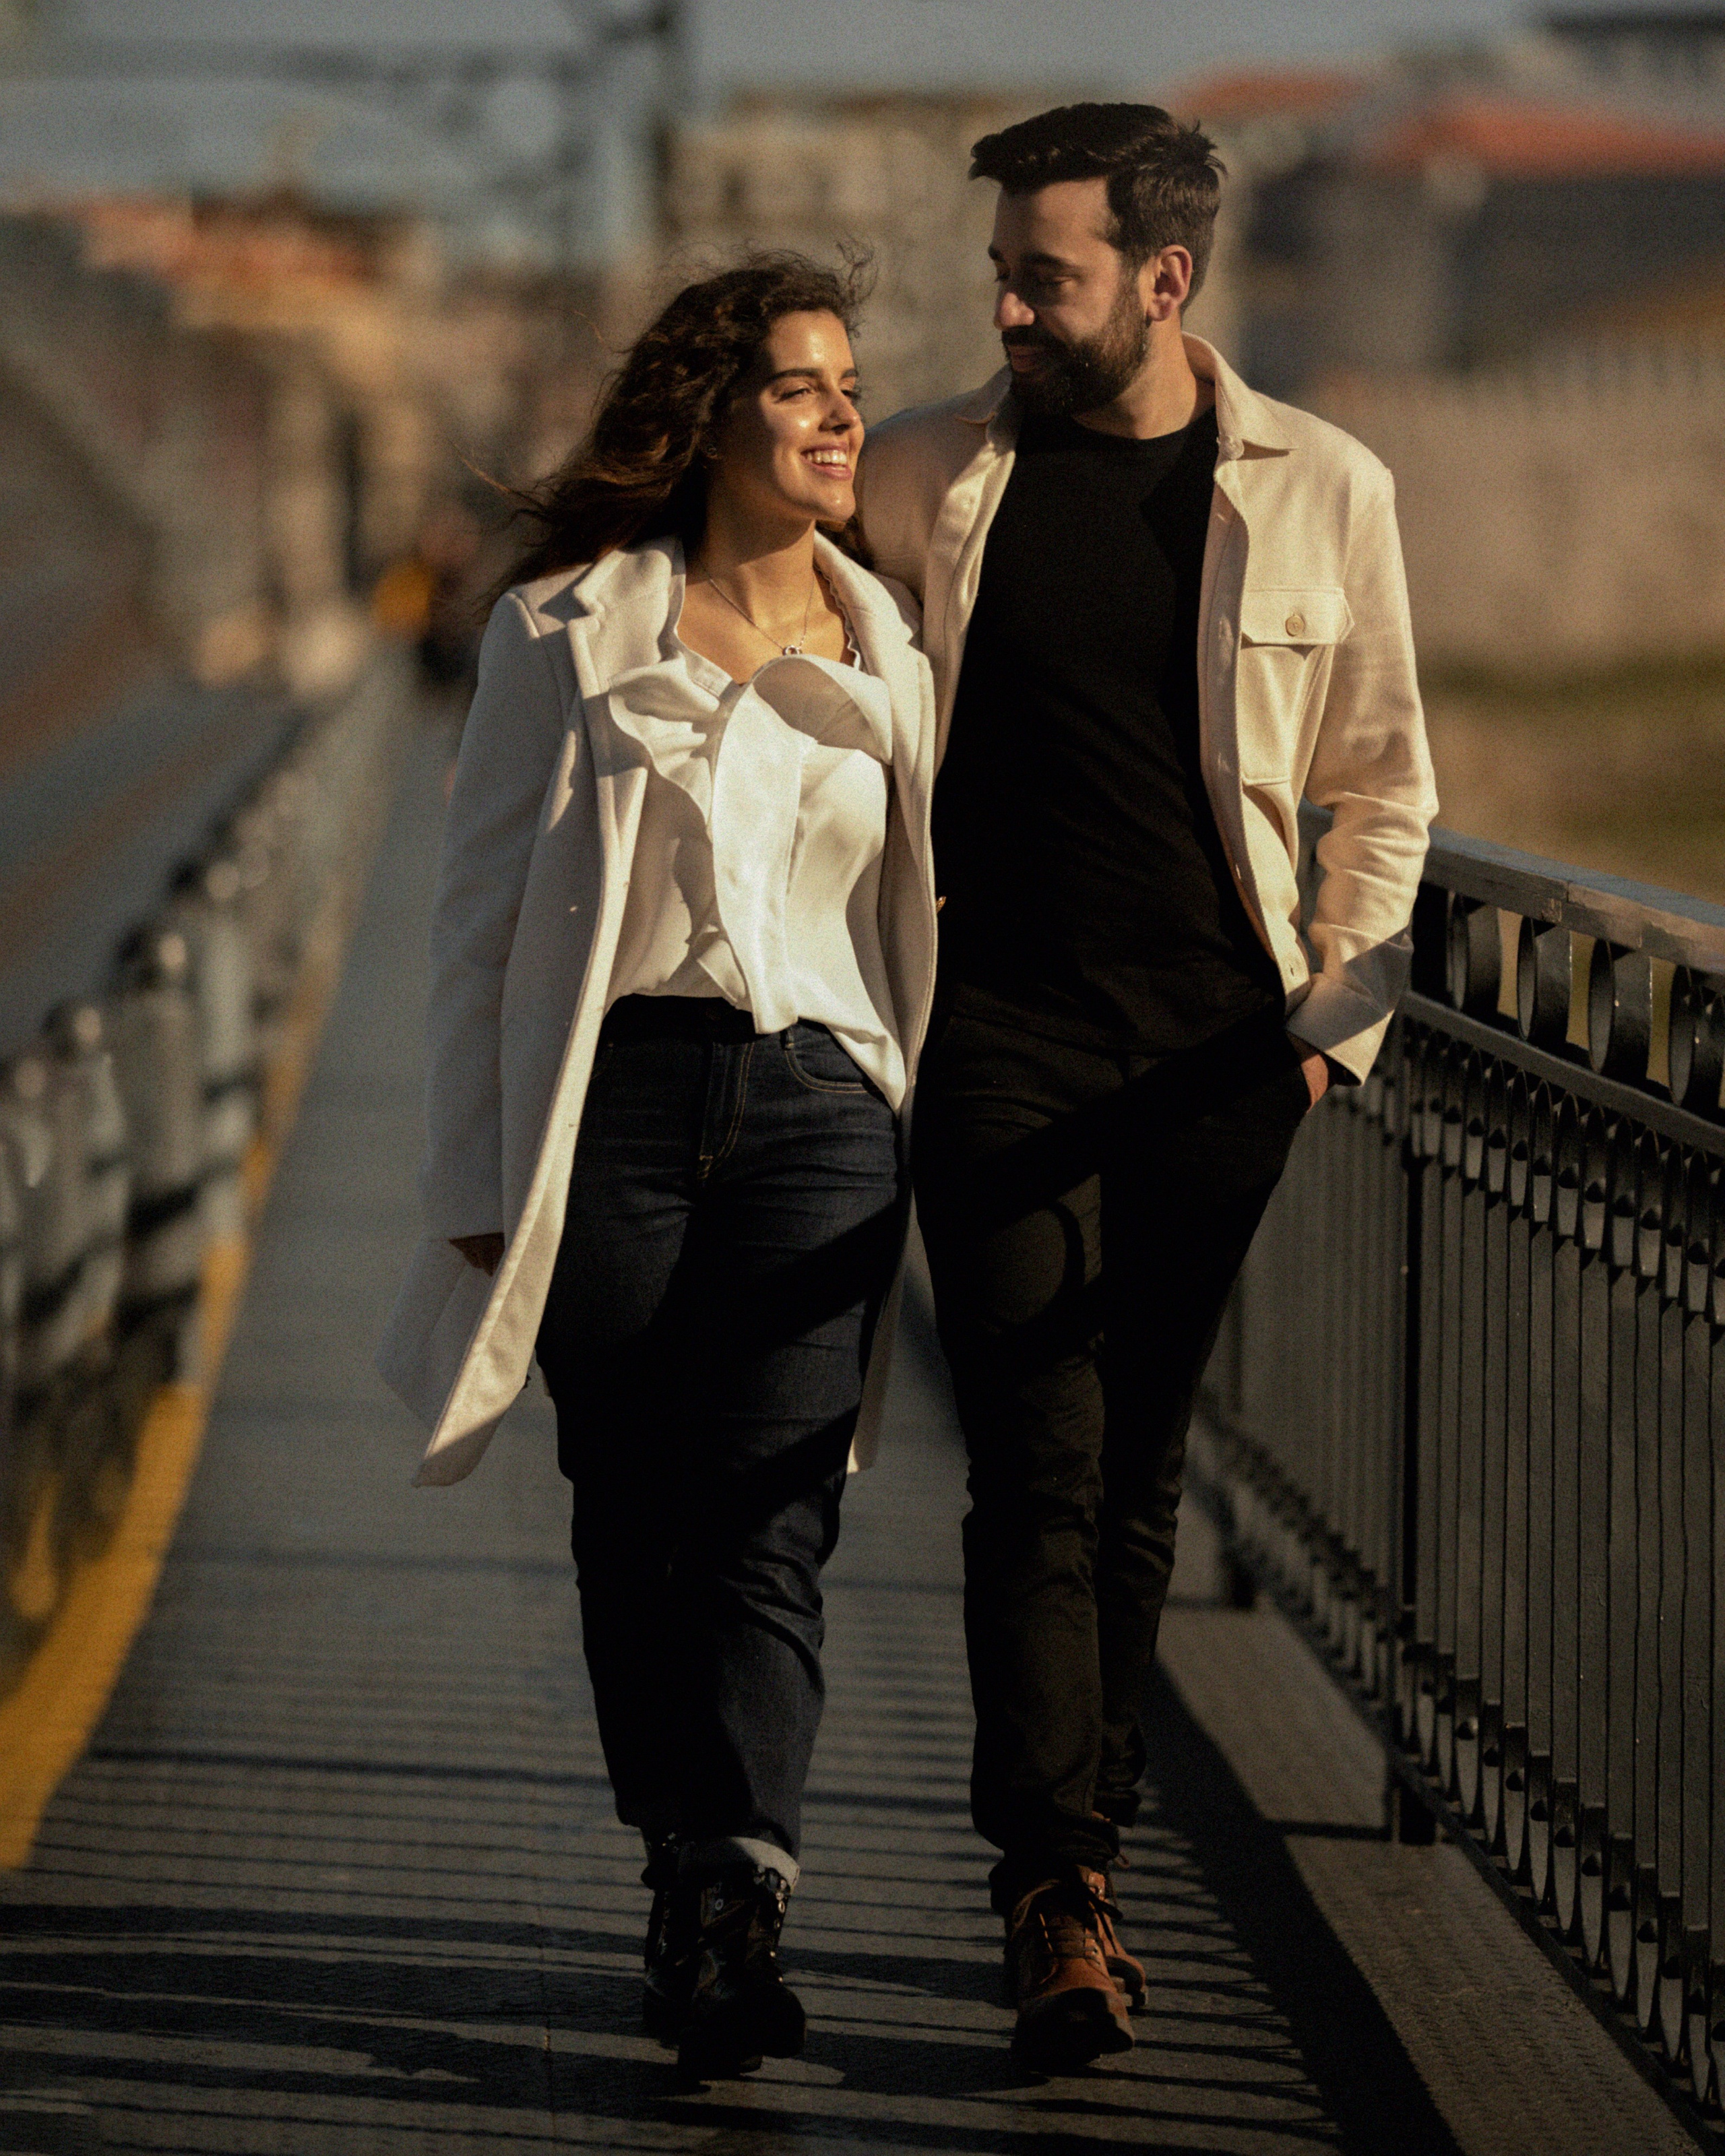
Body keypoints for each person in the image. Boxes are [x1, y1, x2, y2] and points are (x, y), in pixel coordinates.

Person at [854, 103, 1437, 2072]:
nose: (1009, 300)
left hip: (1220, 1061)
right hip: (998, 1042)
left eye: (1050, 274)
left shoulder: (1322, 488)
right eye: (1003, 269)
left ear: (1164, 283)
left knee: (1136, 1475)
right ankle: (1057, 1885)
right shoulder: (936, 473)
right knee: (1034, 1462)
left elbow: (1384, 780)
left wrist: (1320, 1040)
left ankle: (1076, 1853)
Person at [377, 255, 939, 2083]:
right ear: (711, 417)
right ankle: (675, 1847)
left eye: (850, 384)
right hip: (607, 1113)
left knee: (776, 1512)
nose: (843, 415)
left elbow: (929, 912)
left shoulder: (895, 648)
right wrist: (473, 1169)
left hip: (822, 1120)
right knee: (631, 1510)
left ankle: (733, 1892)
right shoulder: (562, 632)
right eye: (801, 387)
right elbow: (470, 925)